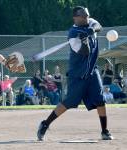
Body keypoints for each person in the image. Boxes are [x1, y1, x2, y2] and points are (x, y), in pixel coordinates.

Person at [37, 6, 113, 141]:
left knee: (100, 100)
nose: (86, 18)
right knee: (69, 102)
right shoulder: (73, 35)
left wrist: (91, 30)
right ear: (76, 18)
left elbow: (98, 25)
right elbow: (86, 52)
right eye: (83, 16)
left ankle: (104, 131)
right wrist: (84, 41)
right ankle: (45, 124)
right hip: (77, 74)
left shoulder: (89, 22)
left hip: (92, 71)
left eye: (87, 15)